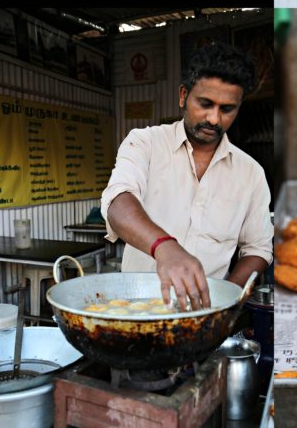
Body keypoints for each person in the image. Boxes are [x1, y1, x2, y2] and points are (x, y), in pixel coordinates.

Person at [100, 42, 273, 311]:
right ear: (183, 95)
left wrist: (228, 298)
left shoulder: (251, 173)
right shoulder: (145, 143)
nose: (214, 119)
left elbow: (258, 248)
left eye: (227, 109)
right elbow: (117, 202)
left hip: (208, 315)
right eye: (205, 104)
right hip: (138, 310)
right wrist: (164, 246)